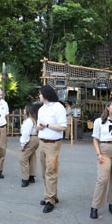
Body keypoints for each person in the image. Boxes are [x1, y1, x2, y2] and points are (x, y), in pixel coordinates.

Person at [36, 85, 67, 213]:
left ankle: (50, 200)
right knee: (44, 172)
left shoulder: (58, 107)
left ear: (46, 94)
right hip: (42, 142)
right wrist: (39, 127)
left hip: (53, 144)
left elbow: (63, 127)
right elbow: (38, 126)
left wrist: (47, 125)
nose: (39, 95)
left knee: (51, 171)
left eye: (40, 93)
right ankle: (50, 194)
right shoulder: (41, 109)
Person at [19, 103, 40, 187]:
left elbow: (26, 133)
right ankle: (31, 176)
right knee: (31, 157)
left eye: (25, 109)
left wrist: (23, 144)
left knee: (23, 159)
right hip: (35, 139)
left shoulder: (28, 121)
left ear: (27, 111)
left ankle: (25, 179)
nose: (24, 111)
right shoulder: (33, 119)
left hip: (30, 139)